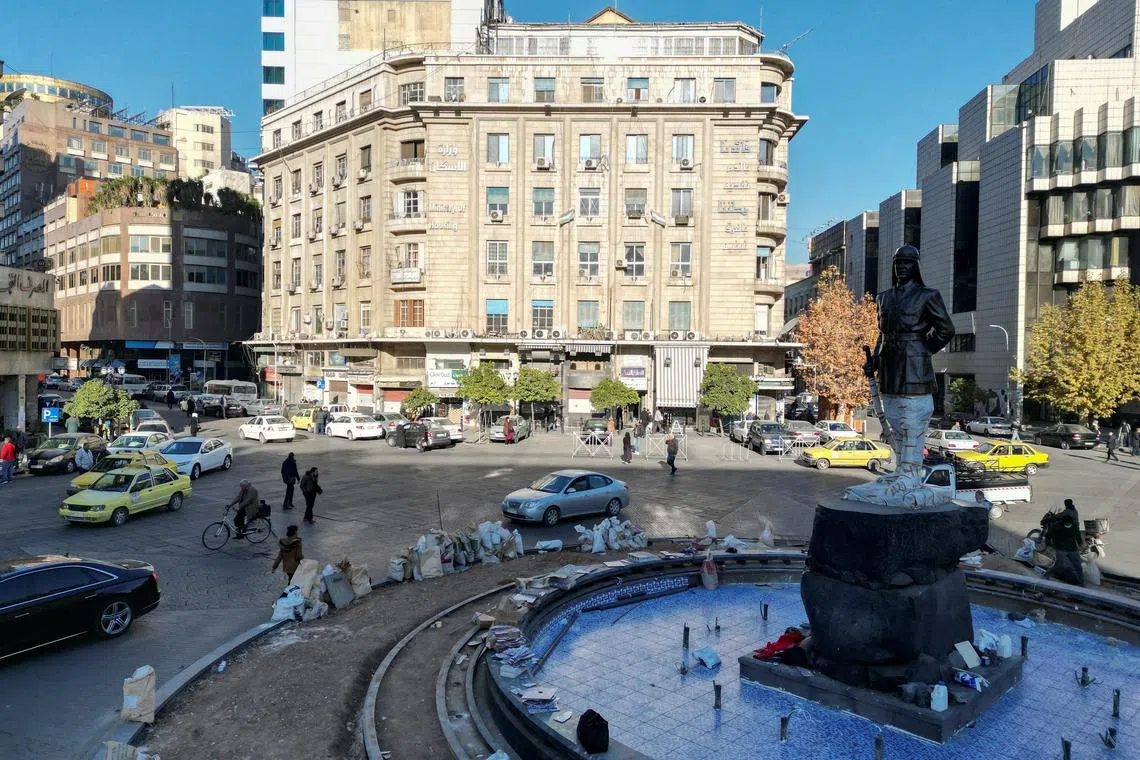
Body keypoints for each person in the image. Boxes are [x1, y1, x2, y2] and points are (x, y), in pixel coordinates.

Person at [1044, 499, 1084, 586]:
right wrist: (1080, 545)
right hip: (1065, 548)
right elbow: (1078, 537)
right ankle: (1046, 575)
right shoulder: (1074, 511)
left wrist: (1048, 519)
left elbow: (1056, 517)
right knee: (1064, 565)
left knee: (1077, 567)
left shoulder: (1067, 513)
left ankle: (1081, 583)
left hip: (1069, 549)